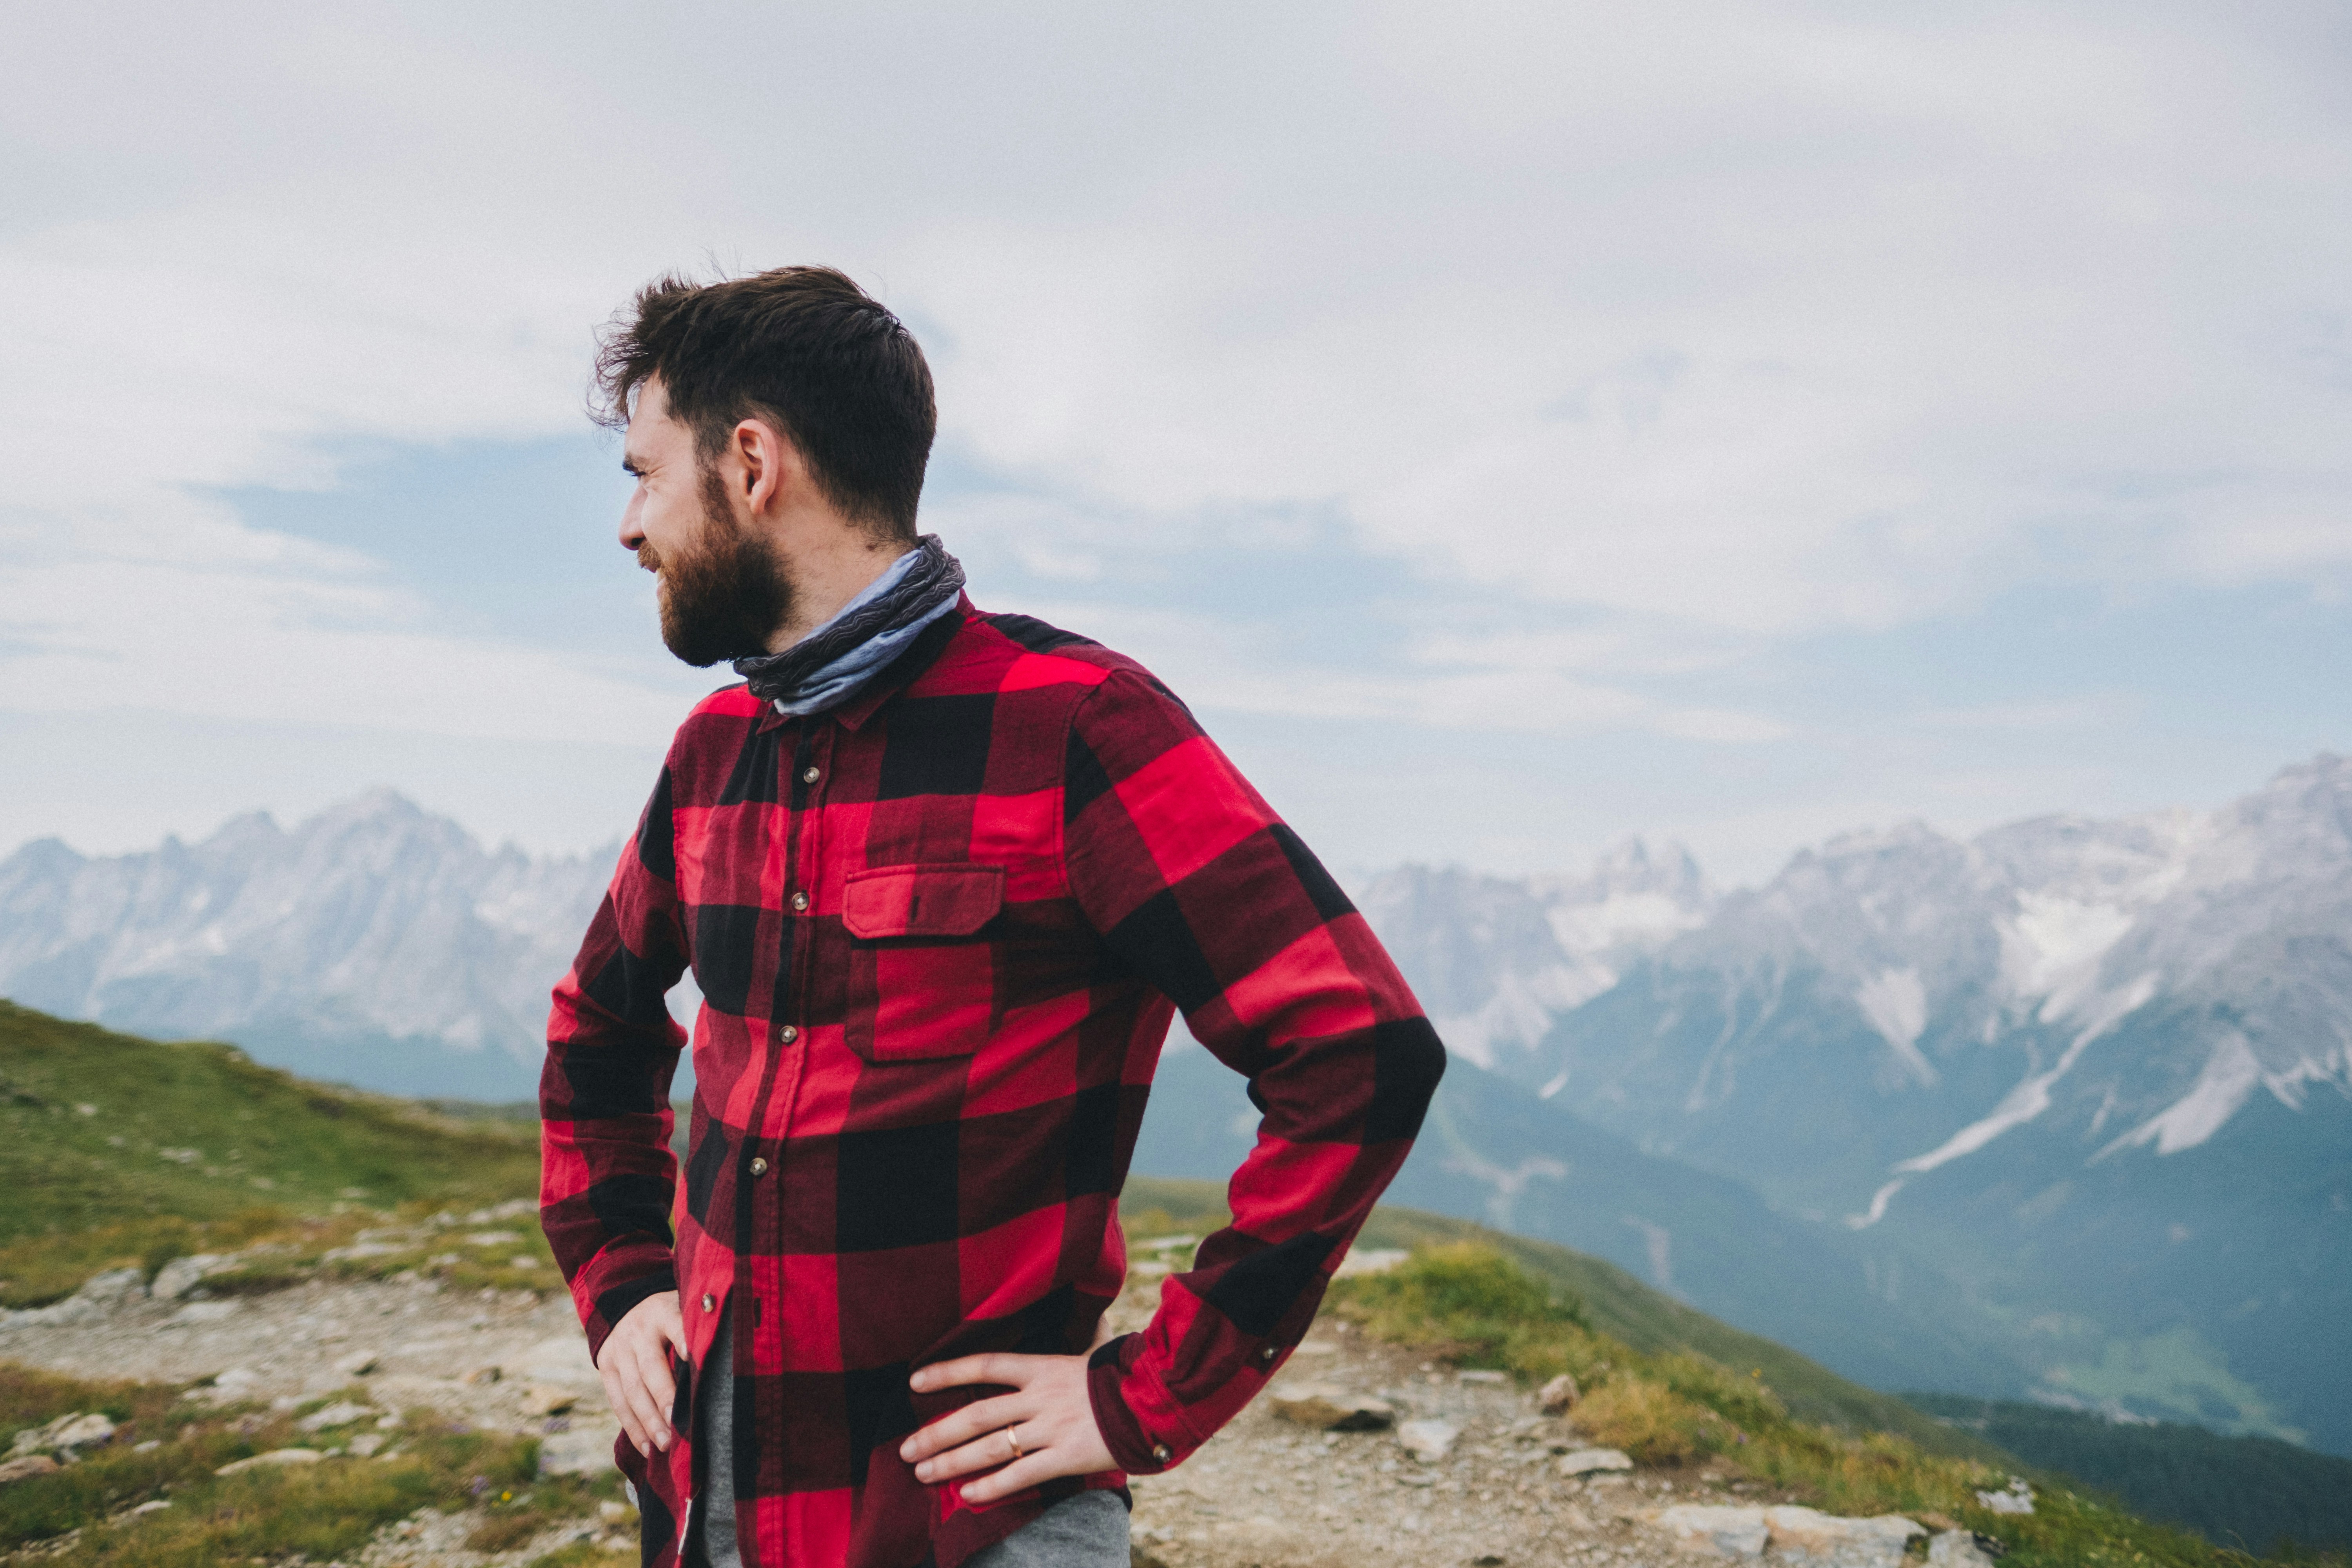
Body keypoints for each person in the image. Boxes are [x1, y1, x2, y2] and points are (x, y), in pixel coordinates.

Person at [539, 265, 1445, 1568]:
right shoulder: (716, 747)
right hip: (713, 1495)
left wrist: (1145, 1395)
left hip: (973, 1518)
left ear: (752, 464)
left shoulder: (1078, 725)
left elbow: (1362, 1046)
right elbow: (599, 1031)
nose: (631, 525)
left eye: (644, 471)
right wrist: (621, 1285)